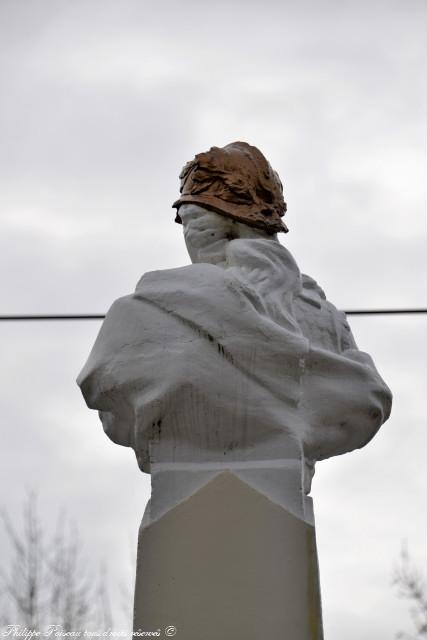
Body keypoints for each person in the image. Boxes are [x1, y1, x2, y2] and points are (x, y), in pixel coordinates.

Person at [78, 142, 391, 491]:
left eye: (191, 222)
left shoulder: (142, 314)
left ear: (219, 228)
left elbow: (111, 402)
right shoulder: (330, 326)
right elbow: (367, 401)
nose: (188, 237)